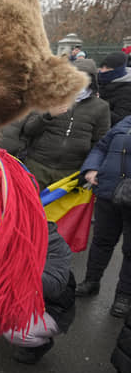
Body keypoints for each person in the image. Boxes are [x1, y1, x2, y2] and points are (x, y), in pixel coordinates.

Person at [16, 58, 110, 189]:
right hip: (37, 165)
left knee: (57, 209)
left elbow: (100, 142)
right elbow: (29, 130)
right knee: (27, 204)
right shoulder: (51, 97)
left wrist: (89, 167)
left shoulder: (100, 107)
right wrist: (48, 115)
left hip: (70, 172)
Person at [77, 114, 131, 317]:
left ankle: (124, 296)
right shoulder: (126, 121)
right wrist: (91, 168)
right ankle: (91, 281)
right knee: (101, 241)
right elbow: (101, 147)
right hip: (108, 192)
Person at [4, 221, 76, 363]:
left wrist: (20, 268)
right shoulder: (9, 234)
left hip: (53, 309)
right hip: (24, 300)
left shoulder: (56, 245)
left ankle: (41, 344)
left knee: (13, 332)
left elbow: (54, 286)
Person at [97, 51, 131, 126]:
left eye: (108, 68)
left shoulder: (127, 91)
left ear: (119, 70)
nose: (103, 71)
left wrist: (96, 104)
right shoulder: (98, 81)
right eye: (102, 67)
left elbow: (121, 120)